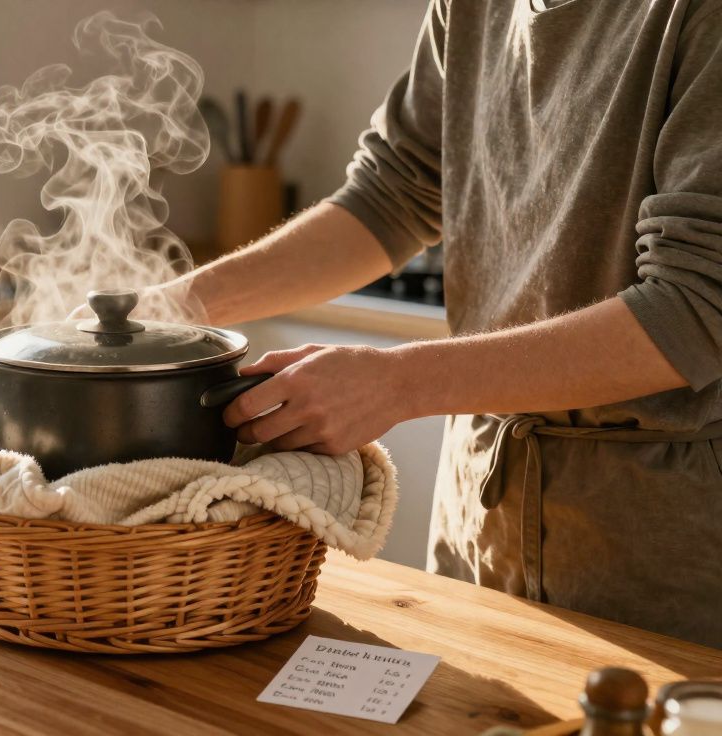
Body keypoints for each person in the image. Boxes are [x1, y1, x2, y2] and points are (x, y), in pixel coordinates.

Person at [161, 0, 722, 648]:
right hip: (480, 519)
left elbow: (697, 304)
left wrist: (399, 383)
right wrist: (176, 306)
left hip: (659, 550)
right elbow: (390, 194)